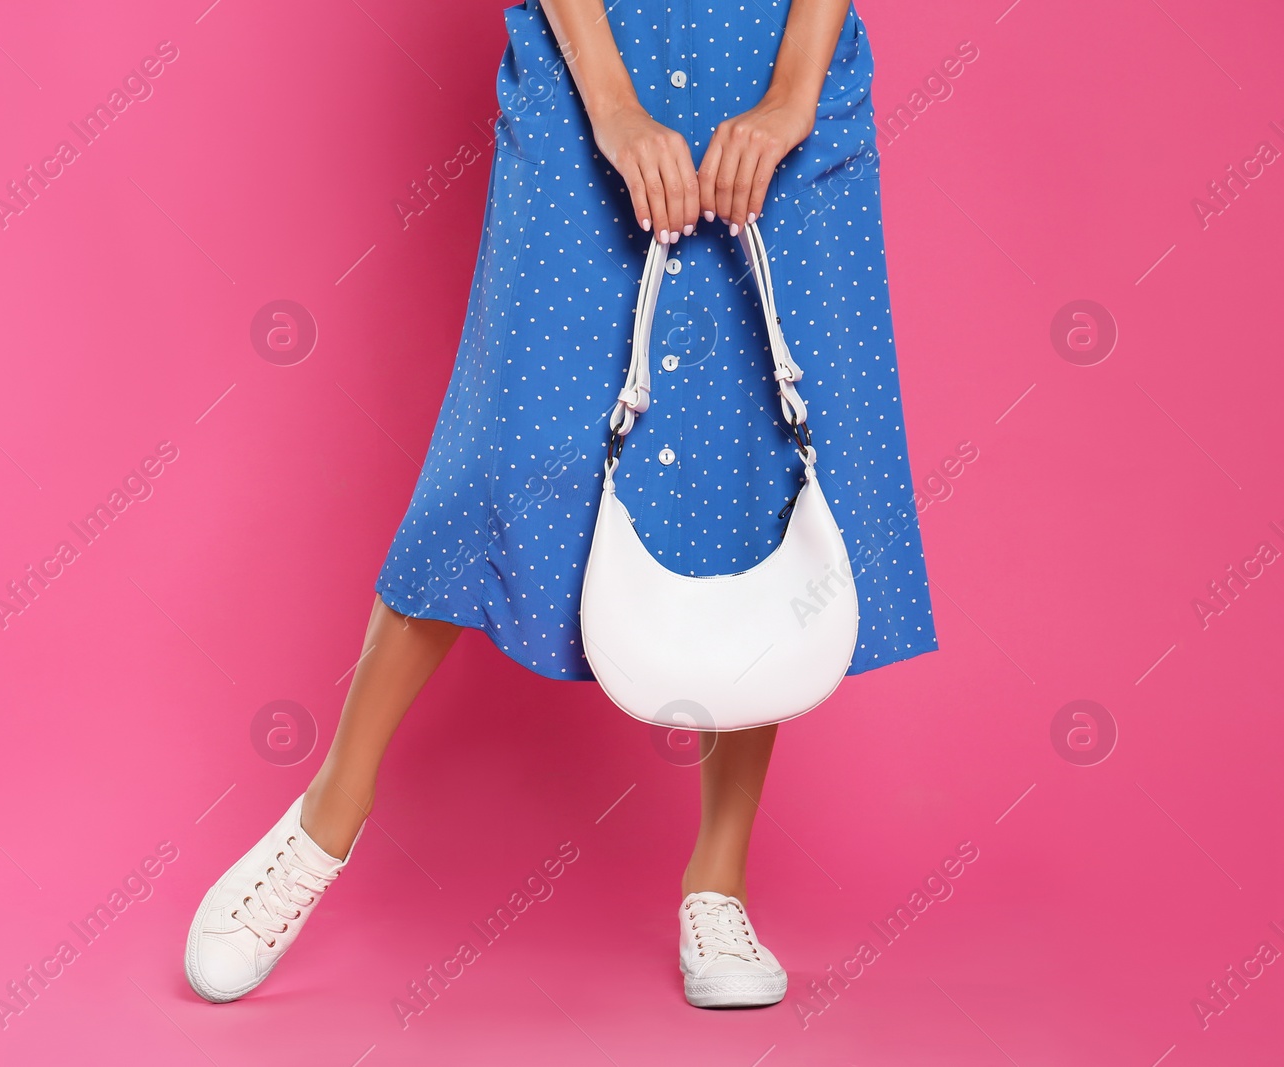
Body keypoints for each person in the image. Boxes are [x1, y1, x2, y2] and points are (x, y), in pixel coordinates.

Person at [185, 0, 935, 1009]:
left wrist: (793, 91)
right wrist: (613, 107)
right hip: (593, 60)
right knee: (502, 457)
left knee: (750, 455)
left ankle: (717, 878)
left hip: (776, 69)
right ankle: (328, 813)